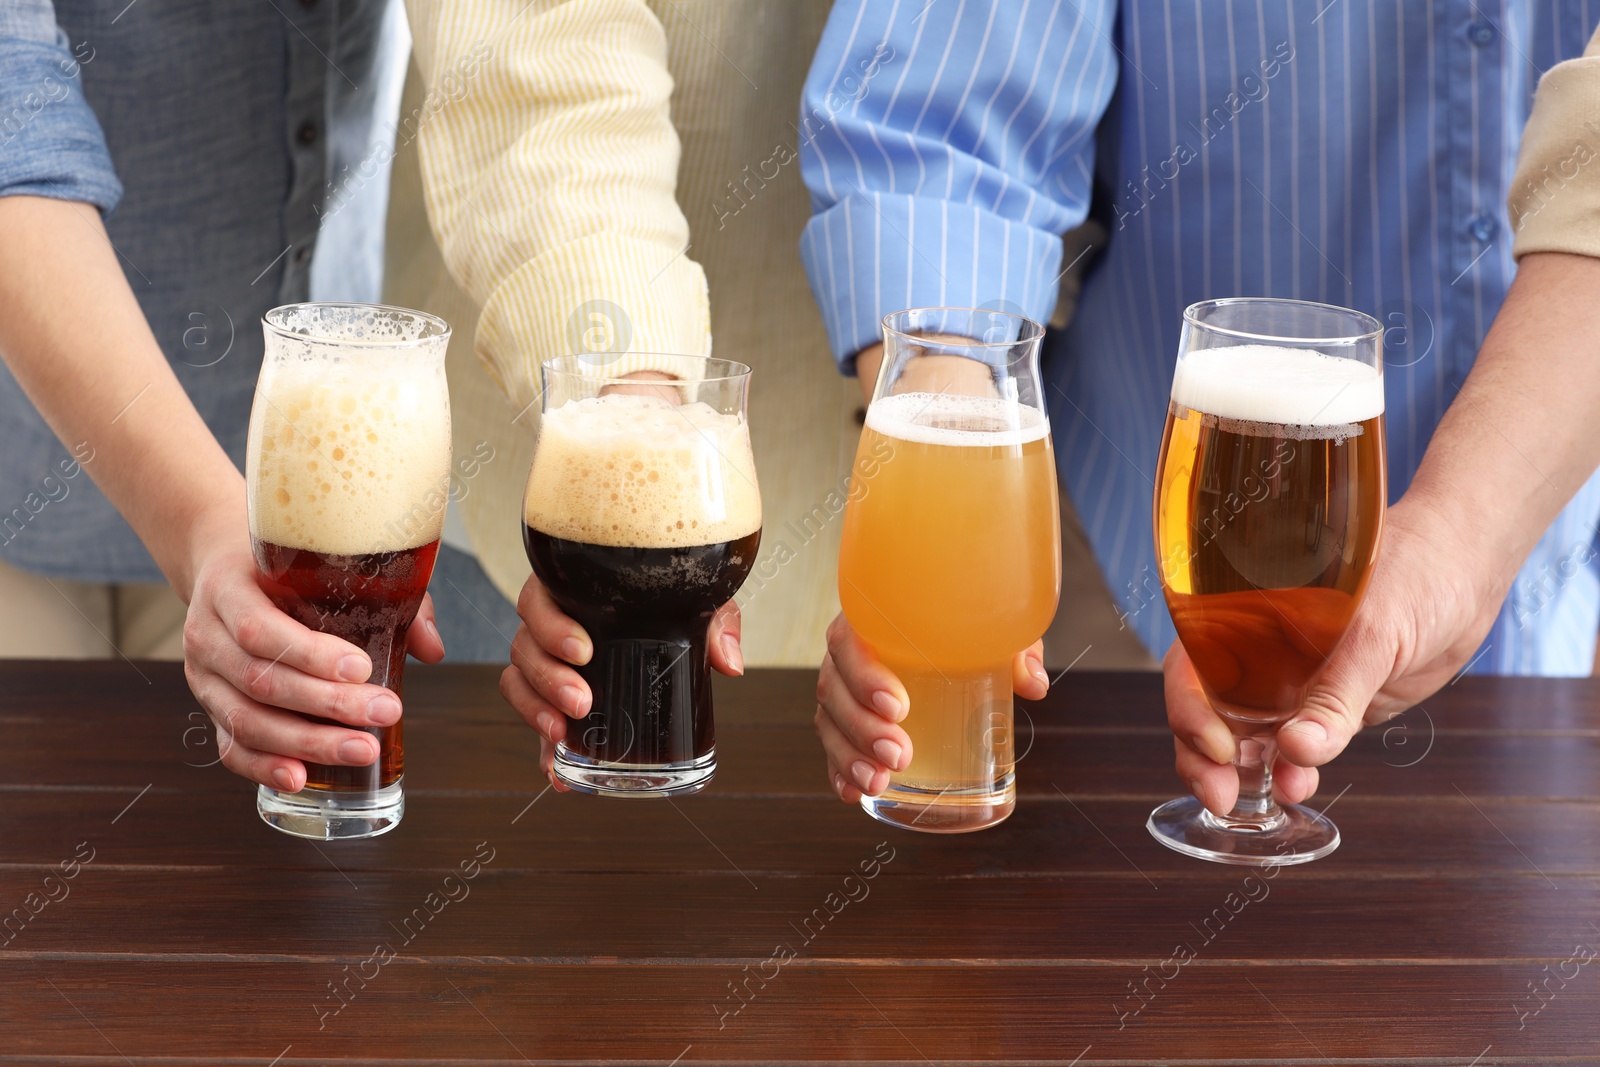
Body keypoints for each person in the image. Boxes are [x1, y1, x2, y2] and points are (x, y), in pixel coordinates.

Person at [794, 2, 1600, 812]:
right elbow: (946, 134)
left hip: (1551, 563)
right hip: (1112, 590)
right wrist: (948, 536)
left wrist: (1465, 532)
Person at [0, 0, 740, 793]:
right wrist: (207, 523)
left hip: (329, 456)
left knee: (284, 881)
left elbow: (536, 56)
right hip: (34, 461)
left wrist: (627, 442)